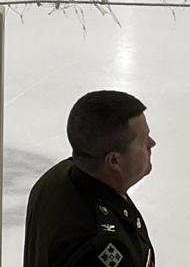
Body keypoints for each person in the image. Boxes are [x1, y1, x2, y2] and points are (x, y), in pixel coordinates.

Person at [23, 90, 156, 267]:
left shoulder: (56, 177)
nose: (152, 143)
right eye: (143, 141)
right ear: (114, 160)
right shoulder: (100, 246)